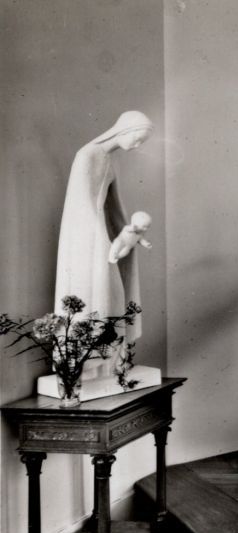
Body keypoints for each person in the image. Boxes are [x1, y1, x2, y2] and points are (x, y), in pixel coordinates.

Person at [54, 111, 153, 373]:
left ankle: (108, 362)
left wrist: (126, 232)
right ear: (124, 130)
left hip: (101, 235)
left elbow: (112, 205)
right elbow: (82, 203)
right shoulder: (87, 155)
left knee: (114, 293)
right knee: (94, 295)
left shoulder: (107, 159)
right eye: (137, 138)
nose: (137, 145)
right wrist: (100, 238)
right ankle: (88, 364)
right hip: (86, 237)